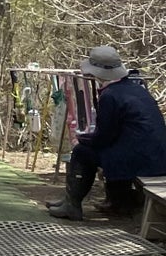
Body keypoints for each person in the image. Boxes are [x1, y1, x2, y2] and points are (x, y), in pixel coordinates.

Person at [48, 46, 166, 221]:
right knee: (110, 152)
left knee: (82, 152)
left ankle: (72, 204)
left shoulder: (110, 95)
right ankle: (116, 202)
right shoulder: (135, 89)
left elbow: (104, 137)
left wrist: (82, 139)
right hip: (156, 156)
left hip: (138, 158)